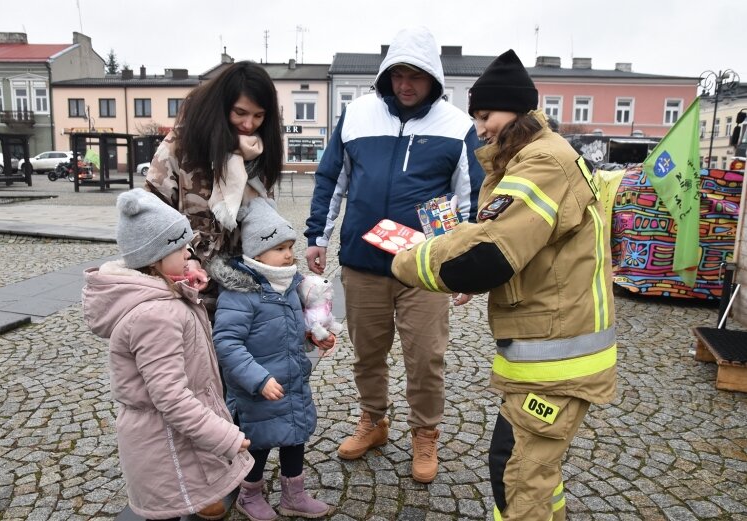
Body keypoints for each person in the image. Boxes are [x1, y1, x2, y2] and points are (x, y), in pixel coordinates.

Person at [391, 49, 617, 520]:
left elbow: (486, 257)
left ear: (517, 109)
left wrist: (406, 262)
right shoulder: (543, 156)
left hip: (556, 361)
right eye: (474, 116)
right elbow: (518, 244)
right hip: (556, 354)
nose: (479, 128)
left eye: (486, 114)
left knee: (516, 476)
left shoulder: (541, 163)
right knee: (536, 474)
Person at [304, 26, 485, 483]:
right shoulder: (356, 115)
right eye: (399, 75)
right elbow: (332, 180)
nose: (406, 85)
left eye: (417, 76)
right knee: (367, 353)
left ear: (434, 79)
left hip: (425, 270)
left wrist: (463, 268)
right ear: (387, 75)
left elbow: (471, 201)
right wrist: (317, 237)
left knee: (425, 357)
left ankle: (425, 433)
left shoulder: (457, 126)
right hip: (364, 264)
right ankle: (374, 420)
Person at [82, 188, 253, 521]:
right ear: (154, 259)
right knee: (168, 507)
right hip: (163, 441)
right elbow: (171, 398)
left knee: (184, 492)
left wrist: (185, 283)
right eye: (181, 249)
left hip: (175, 436)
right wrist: (226, 437)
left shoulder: (162, 297)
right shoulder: (155, 316)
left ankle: (201, 497)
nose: (190, 254)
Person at [208, 197, 335, 521]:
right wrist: (258, 379)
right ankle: (249, 495)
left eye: (291, 246)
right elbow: (227, 342)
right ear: (255, 251)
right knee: (258, 443)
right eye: (280, 248)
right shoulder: (240, 294)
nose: (289, 254)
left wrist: (310, 339)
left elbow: (290, 331)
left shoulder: (288, 286)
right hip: (258, 390)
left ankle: (294, 495)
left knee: (295, 437)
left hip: (291, 382)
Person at [145, 60, 284, 314]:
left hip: (243, 295)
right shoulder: (181, 145)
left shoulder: (260, 152)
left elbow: (264, 219)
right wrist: (187, 260)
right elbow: (152, 212)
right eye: (240, 112)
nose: (249, 124)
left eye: (258, 115)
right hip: (188, 289)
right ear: (221, 107)